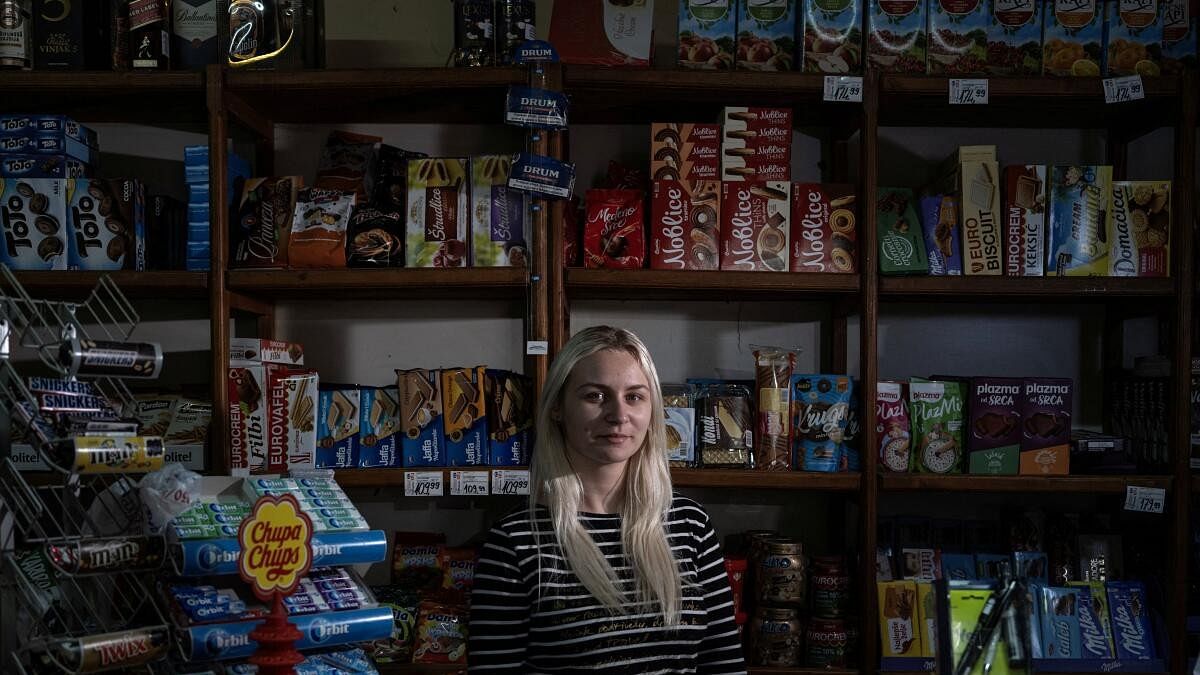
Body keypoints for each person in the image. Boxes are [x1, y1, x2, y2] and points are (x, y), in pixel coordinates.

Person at [469, 326, 747, 674]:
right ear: (557, 407)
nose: (618, 415)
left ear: (652, 410)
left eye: (634, 396)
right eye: (595, 396)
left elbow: (723, 663)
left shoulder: (690, 524)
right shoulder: (516, 540)